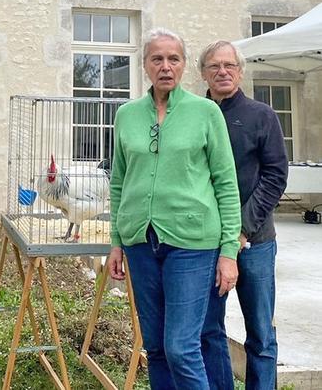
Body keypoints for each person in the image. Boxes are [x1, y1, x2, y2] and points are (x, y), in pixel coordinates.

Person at [107, 28, 241, 389]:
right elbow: (119, 180)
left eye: (174, 59)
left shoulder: (206, 112)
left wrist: (229, 251)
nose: (165, 66)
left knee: (182, 346)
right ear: (145, 65)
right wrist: (117, 241)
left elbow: (226, 184)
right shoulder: (127, 115)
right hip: (139, 241)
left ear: (183, 66)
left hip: (193, 243)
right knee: (156, 347)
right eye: (157, 59)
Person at [199, 41, 288, 390]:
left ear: (240, 71)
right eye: (214, 66)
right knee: (209, 330)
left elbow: (275, 176)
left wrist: (241, 229)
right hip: (205, 241)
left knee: (261, 334)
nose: (223, 71)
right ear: (203, 73)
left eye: (229, 65)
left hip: (255, 243)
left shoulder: (262, 116)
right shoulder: (195, 115)